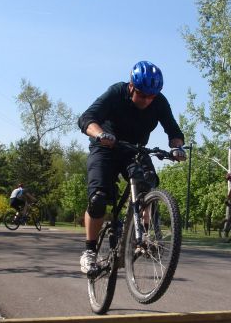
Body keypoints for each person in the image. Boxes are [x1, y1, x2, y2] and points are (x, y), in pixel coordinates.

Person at [78, 60, 186, 274]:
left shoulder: (159, 101)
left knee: (149, 183)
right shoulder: (116, 93)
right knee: (98, 199)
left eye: (151, 96)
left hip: (134, 150)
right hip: (105, 147)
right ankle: (89, 252)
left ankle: (141, 235)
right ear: (131, 87)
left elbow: (173, 131)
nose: (147, 100)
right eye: (142, 95)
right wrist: (100, 134)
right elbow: (87, 118)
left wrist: (177, 148)